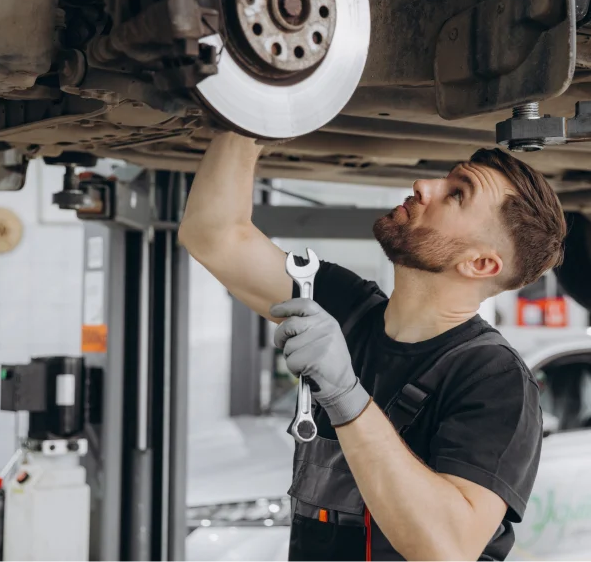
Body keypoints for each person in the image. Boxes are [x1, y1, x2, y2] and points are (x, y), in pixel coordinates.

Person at [178, 132, 567, 561]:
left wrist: (346, 395)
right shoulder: (347, 307)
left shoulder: (496, 379)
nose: (424, 186)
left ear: (479, 264)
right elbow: (214, 236)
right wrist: (248, 116)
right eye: (446, 179)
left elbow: (447, 548)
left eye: (456, 195)